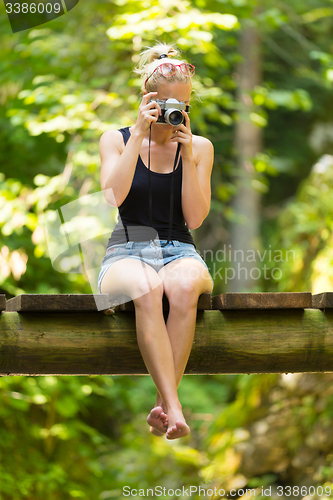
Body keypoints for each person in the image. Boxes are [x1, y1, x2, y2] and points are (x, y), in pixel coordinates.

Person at [98, 42, 214, 440]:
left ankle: (164, 406)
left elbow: (196, 218)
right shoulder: (115, 139)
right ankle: (174, 405)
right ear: (147, 98)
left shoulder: (199, 148)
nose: (172, 112)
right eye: (163, 103)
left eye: (180, 104)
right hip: (125, 251)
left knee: (181, 285)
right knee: (149, 285)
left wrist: (187, 156)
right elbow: (112, 198)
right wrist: (138, 135)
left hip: (180, 250)